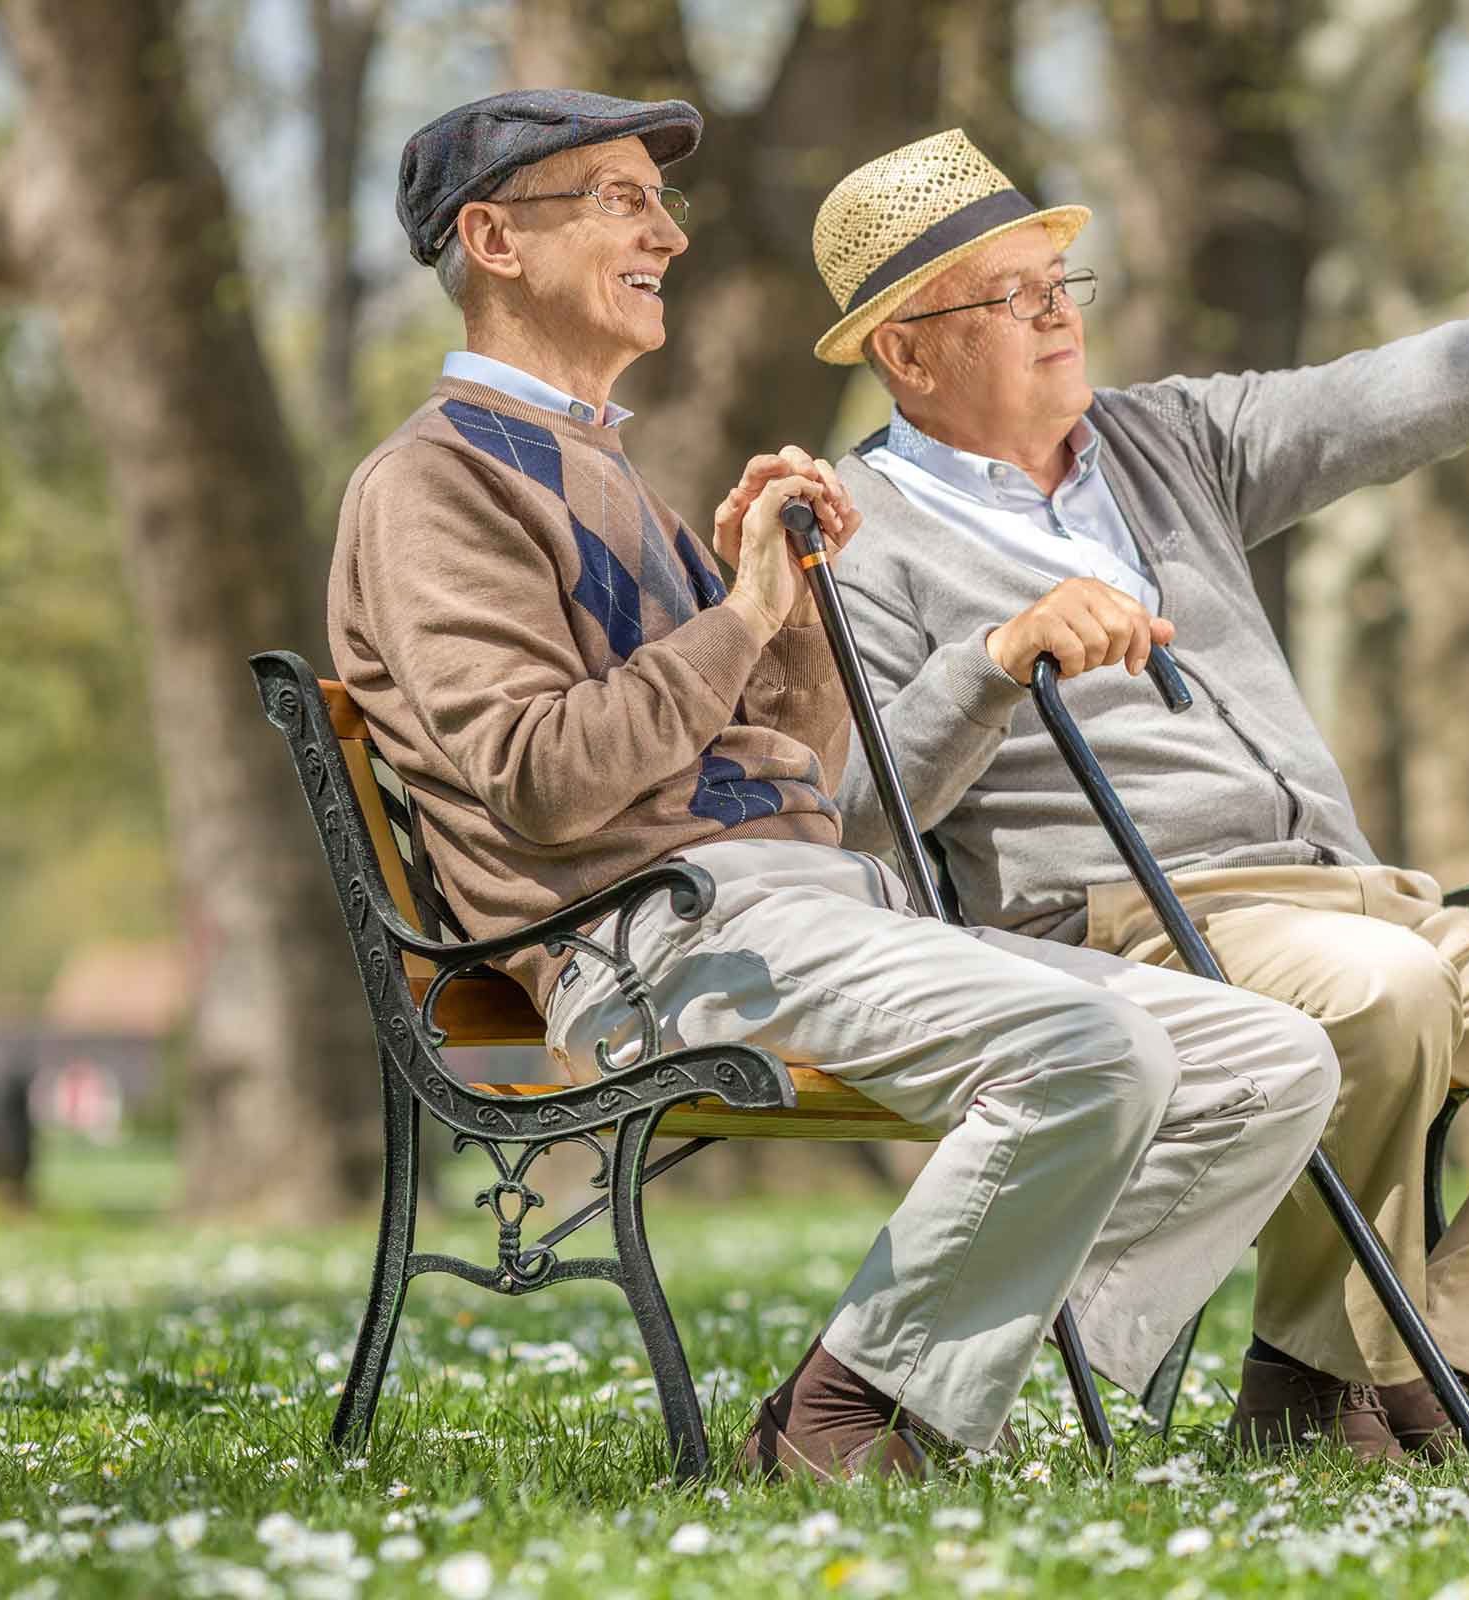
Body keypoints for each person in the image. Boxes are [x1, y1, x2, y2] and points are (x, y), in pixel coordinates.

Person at [328, 91, 1338, 1484]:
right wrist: (737, 616)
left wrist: (787, 609)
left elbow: (791, 774)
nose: (668, 235)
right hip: (648, 947)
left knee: (1273, 1060)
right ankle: (840, 1425)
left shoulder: (611, 472)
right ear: (494, 239)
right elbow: (542, 783)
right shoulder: (434, 487)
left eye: (658, 204)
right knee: (1092, 1051)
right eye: (621, 200)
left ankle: (990, 1393)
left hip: (802, 912)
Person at [813, 130, 1469, 1459]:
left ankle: (1452, 1368)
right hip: (1135, 926)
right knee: (1379, 984)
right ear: (908, 350)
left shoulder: (1165, 441)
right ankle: (1320, 1384)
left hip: (1361, 898)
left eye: (1063, 285)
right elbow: (852, 810)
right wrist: (995, 662)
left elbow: (1400, 392)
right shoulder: (853, 531)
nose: (1062, 319)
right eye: (1014, 299)